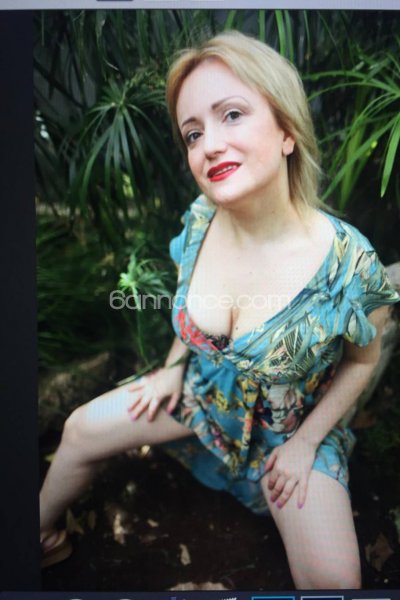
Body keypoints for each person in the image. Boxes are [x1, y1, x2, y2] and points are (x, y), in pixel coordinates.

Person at [40, 31, 399, 588]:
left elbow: (362, 362)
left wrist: (305, 444)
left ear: (286, 131)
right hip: (207, 395)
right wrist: (172, 366)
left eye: (232, 114)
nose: (208, 145)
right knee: (80, 428)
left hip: (290, 430)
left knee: (334, 579)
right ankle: (38, 537)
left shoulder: (349, 264)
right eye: (193, 132)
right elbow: (188, 301)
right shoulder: (202, 219)